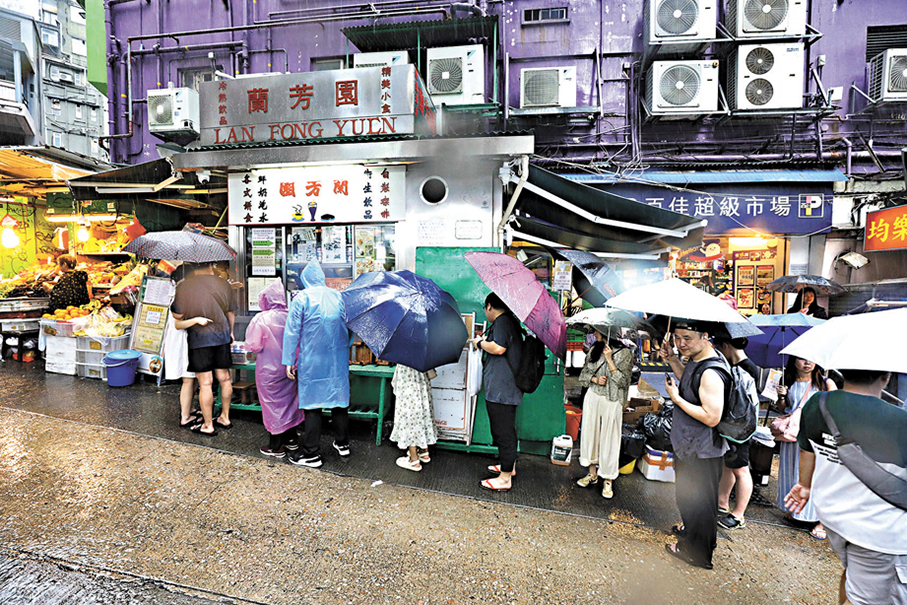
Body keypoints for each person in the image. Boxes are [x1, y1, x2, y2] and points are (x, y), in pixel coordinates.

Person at [785, 369, 907, 605]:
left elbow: (806, 449)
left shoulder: (819, 403)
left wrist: (804, 484)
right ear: (887, 376)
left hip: (834, 518)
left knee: (854, 576)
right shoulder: (899, 421)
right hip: (880, 532)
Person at [660, 320, 729, 570]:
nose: (681, 344)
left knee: (700, 504)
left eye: (687, 338)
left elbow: (712, 416)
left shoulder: (711, 372)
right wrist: (672, 359)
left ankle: (698, 553)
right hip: (690, 447)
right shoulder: (696, 360)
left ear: (705, 336)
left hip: (703, 450)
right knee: (689, 499)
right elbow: (689, 381)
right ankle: (692, 535)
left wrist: (677, 399)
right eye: (677, 338)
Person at [282, 260, 351, 468]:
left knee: (312, 404)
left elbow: (292, 331)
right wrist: (344, 346)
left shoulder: (302, 298)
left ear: (305, 280)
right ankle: (342, 443)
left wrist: (288, 360)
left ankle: (312, 453)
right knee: (339, 400)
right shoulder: (338, 296)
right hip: (337, 359)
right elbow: (350, 326)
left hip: (312, 359)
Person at [170, 262, 237, 436]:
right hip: (222, 336)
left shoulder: (186, 286)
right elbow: (230, 313)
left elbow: (177, 315)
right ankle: (225, 417)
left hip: (200, 339)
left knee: (205, 383)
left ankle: (208, 425)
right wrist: (230, 332)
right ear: (210, 265)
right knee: (225, 378)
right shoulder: (223, 283)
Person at [775, 356, 836, 540]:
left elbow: (835, 406)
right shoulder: (787, 380)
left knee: (817, 476)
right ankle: (796, 511)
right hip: (794, 435)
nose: (808, 363)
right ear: (794, 361)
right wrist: (782, 396)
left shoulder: (825, 382)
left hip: (817, 435)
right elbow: (783, 409)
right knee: (792, 471)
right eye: (802, 359)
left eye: (812, 359)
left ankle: (820, 521)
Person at [468, 292, 523, 492]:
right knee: (503, 429)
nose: (486, 312)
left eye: (485, 309)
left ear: (490, 306)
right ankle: (509, 466)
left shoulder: (503, 322)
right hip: (503, 388)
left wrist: (479, 343)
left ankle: (505, 478)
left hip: (503, 389)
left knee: (503, 431)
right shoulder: (507, 322)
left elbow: (499, 348)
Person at [245, 278, 304, 459]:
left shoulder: (261, 319)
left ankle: (276, 446)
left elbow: (253, 345)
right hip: (290, 368)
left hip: (268, 371)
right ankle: (292, 440)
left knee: (272, 406)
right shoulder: (291, 315)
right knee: (290, 403)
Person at [575, 331, 634, 499]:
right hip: (593, 396)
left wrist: (609, 360)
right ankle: (592, 473)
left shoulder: (625, 353)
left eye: (597, 331)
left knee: (609, 438)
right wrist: (595, 379)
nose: (594, 333)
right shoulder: (594, 349)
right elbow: (583, 375)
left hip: (612, 399)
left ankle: (608, 478)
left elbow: (623, 382)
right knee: (590, 434)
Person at [712, 336, 760, 531]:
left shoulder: (744, 368)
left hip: (740, 428)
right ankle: (722, 503)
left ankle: (739, 515)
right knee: (728, 466)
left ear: (726, 346)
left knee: (741, 470)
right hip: (735, 427)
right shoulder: (742, 365)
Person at [389, 365, 438, 472]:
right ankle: (424, 452)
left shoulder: (404, 353)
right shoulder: (424, 350)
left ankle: (414, 460)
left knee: (410, 421)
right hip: (422, 386)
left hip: (408, 387)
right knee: (423, 415)